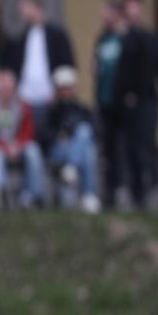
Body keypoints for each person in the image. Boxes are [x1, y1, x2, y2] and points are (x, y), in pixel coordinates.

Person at [117, 0, 158, 208]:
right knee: (131, 148)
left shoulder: (149, 38)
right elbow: (120, 74)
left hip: (148, 101)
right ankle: (137, 192)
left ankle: (155, 189)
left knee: (148, 146)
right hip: (128, 104)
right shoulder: (123, 38)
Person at [0, 69, 46, 208]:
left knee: (33, 151)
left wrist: (18, 145)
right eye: (3, 87)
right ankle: (3, 194)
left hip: (17, 145)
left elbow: (28, 130)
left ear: (14, 88)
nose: (6, 91)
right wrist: (4, 147)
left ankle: (33, 196)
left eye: (9, 88)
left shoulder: (23, 106)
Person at [7, 0, 75, 138]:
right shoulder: (21, 38)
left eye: (24, 4)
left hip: (50, 102)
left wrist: (58, 92)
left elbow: (68, 68)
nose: (21, 9)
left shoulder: (57, 35)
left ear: (36, 6)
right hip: (24, 101)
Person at [45, 66, 100, 213]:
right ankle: (89, 195)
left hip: (76, 149)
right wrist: (59, 135)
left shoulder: (82, 109)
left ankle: (72, 167)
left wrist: (71, 134)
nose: (66, 92)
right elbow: (44, 136)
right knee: (86, 148)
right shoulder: (51, 111)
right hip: (57, 150)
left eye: (68, 88)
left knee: (86, 139)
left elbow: (96, 130)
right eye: (62, 88)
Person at [93, 0, 128, 209]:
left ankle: (123, 191)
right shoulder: (102, 38)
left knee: (121, 149)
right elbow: (96, 65)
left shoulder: (125, 38)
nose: (103, 17)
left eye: (106, 13)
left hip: (122, 103)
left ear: (116, 13)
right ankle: (108, 194)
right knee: (107, 149)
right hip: (104, 102)